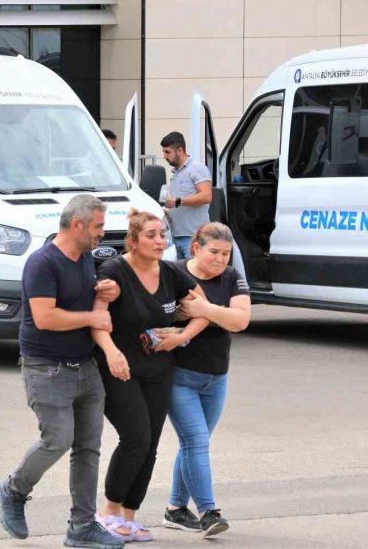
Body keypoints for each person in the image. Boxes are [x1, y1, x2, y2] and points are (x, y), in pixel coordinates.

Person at [0, 194, 125, 549]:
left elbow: (85, 295)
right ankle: (13, 489)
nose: (102, 233)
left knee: (88, 448)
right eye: (98, 226)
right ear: (78, 225)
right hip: (46, 368)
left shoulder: (84, 258)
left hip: (85, 367)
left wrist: (105, 289)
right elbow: (45, 317)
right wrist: (92, 317)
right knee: (58, 439)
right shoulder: (42, 262)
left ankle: (82, 526)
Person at [92, 209, 209, 542]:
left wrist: (181, 337)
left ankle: (129, 516)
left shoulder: (172, 272)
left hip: (159, 370)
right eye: (151, 235)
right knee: (136, 437)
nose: (160, 241)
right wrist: (111, 352)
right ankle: (108, 512)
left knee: (152, 444)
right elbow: (98, 319)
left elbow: (204, 309)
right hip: (119, 368)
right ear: (133, 240)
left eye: (163, 234)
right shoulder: (114, 271)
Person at [162, 223, 251, 538]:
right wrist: (213, 314)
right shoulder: (173, 273)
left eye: (226, 254)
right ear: (195, 247)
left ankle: (175, 509)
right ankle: (208, 512)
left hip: (217, 378)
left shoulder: (231, 277)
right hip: (179, 376)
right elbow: (164, 314)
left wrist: (205, 309)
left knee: (193, 445)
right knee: (196, 442)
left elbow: (240, 321)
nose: (220, 259)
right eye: (214, 251)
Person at [160, 132, 212, 258]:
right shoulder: (176, 173)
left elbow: (206, 196)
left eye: (167, 152)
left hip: (194, 236)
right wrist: (168, 211)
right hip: (175, 236)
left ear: (180, 150)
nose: (164, 156)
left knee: (193, 275)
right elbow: (179, 201)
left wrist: (177, 202)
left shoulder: (196, 168)